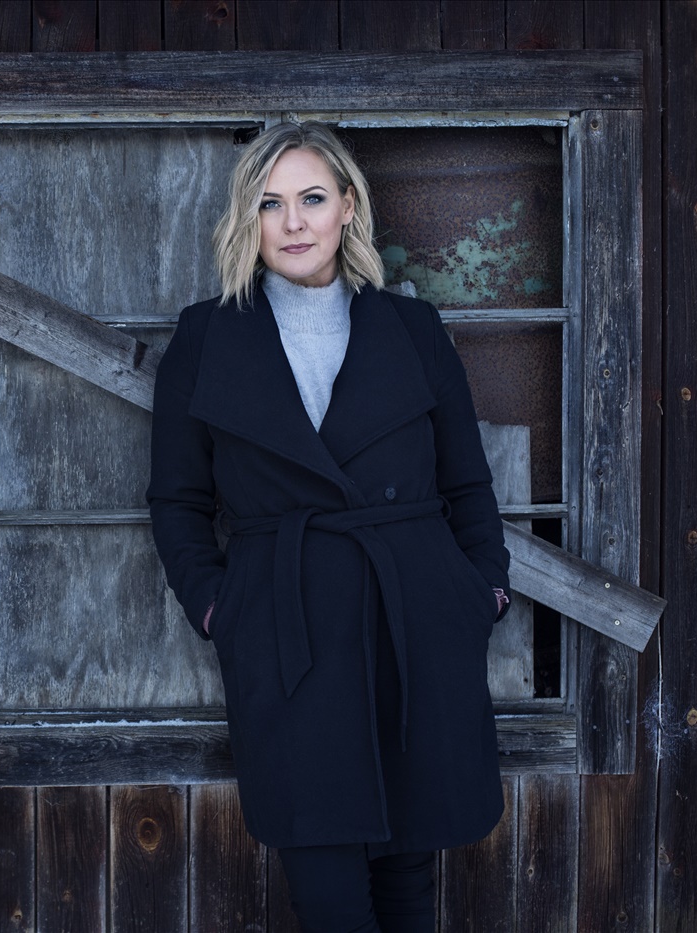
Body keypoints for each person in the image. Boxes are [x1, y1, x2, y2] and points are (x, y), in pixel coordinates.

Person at [147, 122, 511, 932]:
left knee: (408, 888)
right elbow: (176, 500)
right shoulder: (207, 336)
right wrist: (219, 607)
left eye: (312, 198)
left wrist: (481, 590)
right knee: (328, 896)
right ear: (248, 218)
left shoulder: (412, 329)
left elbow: (467, 483)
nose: (293, 222)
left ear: (348, 206)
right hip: (289, 635)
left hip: (414, 622)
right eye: (270, 203)